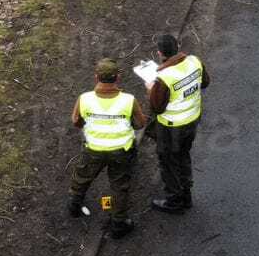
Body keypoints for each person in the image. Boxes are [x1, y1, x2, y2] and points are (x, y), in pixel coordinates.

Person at [69, 59, 148, 237]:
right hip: (121, 151)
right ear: (118, 78)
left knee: (83, 176)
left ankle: (74, 204)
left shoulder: (84, 99)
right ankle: (119, 223)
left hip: (93, 149)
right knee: (119, 186)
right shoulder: (129, 100)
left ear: (96, 77)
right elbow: (140, 123)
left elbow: (76, 121)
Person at [147, 33, 209, 213]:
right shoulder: (194, 62)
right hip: (192, 121)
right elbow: (205, 82)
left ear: (160, 53)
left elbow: (157, 107)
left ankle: (174, 200)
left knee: (168, 161)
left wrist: (151, 89)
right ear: (177, 47)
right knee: (183, 155)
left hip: (171, 127)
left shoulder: (164, 77)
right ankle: (186, 193)